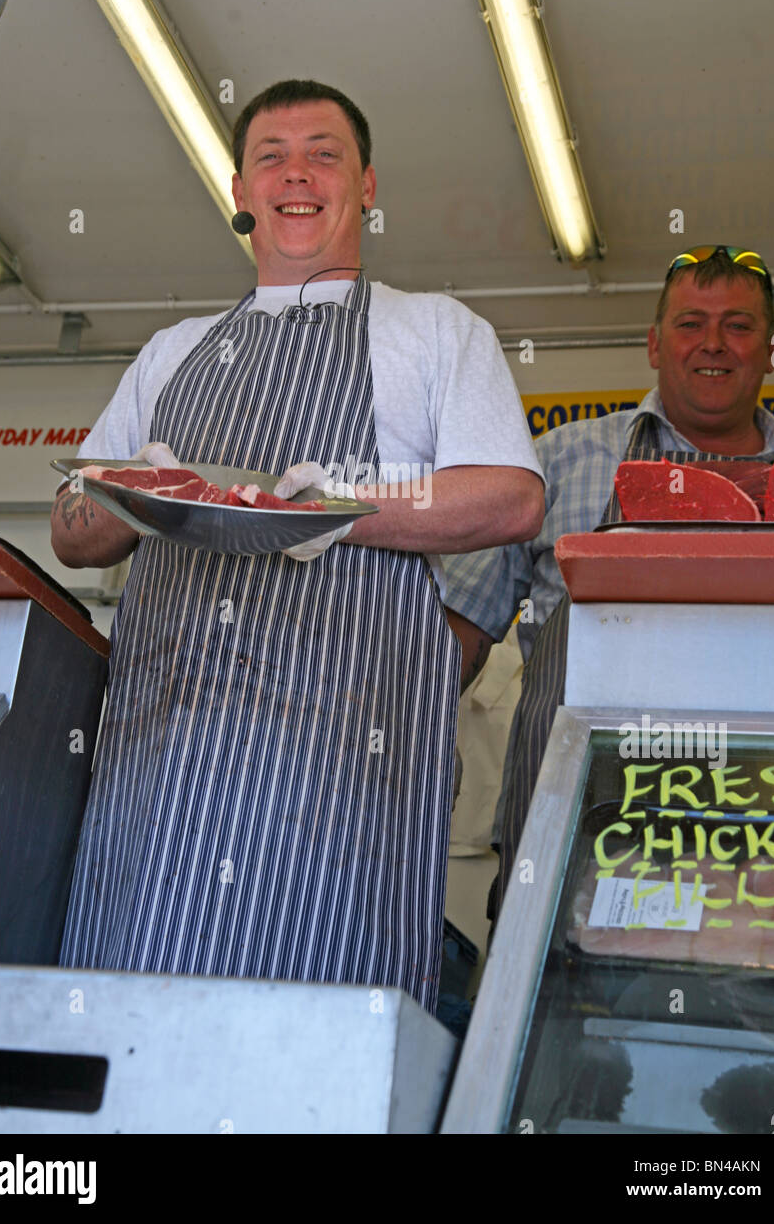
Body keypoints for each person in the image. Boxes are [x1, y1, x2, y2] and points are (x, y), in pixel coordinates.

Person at [51, 78, 545, 1014]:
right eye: (271, 156)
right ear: (239, 189)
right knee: (134, 1022)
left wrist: (346, 505)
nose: (297, 174)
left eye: (325, 153)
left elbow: (510, 497)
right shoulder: (170, 351)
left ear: (367, 186)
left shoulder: (436, 331)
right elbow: (72, 532)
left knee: (323, 1043)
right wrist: (133, 494)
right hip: (163, 766)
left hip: (347, 775)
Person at [442, 245, 774, 924]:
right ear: (655, 346)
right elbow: (455, 633)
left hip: (763, 855)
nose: (713, 344)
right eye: (691, 324)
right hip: (571, 832)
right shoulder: (559, 461)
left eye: (739, 325)